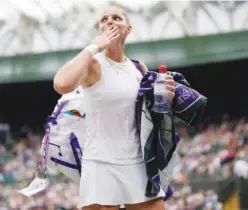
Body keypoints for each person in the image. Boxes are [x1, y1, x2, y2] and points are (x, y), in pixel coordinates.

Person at [53, 6, 176, 210]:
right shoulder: (92, 64)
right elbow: (61, 84)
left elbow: (152, 113)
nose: (109, 21)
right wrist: (94, 46)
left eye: (116, 17)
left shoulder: (139, 67)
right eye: (104, 20)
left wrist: (165, 98)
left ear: (128, 29)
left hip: (138, 160)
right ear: (100, 31)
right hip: (100, 163)